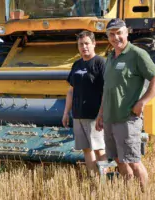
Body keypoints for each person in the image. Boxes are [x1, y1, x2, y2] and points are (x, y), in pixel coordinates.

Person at [95, 18, 155, 190]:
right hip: (110, 118)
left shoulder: (137, 54)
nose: (116, 37)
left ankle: (144, 193)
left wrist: (142, 102)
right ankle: (130, 191)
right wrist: (101, 114)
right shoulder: (111, 57)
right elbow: (107, 88)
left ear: (127, 32)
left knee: (133, 160)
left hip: (127, 119)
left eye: (119, 32)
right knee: (119, 159)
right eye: (112, 34)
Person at [63, 30, 107, 176]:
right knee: (86, 150)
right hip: (78, 115)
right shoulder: (76, 64)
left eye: (87, 43)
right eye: (81, 44)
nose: (84, 47)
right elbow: (71, 91)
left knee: (99, 149)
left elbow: (107, 91)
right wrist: (66, 112)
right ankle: (93, 179)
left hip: (95, 115)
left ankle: (104, 180)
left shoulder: (100, 63)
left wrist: (101, 114)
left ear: (94, 44)